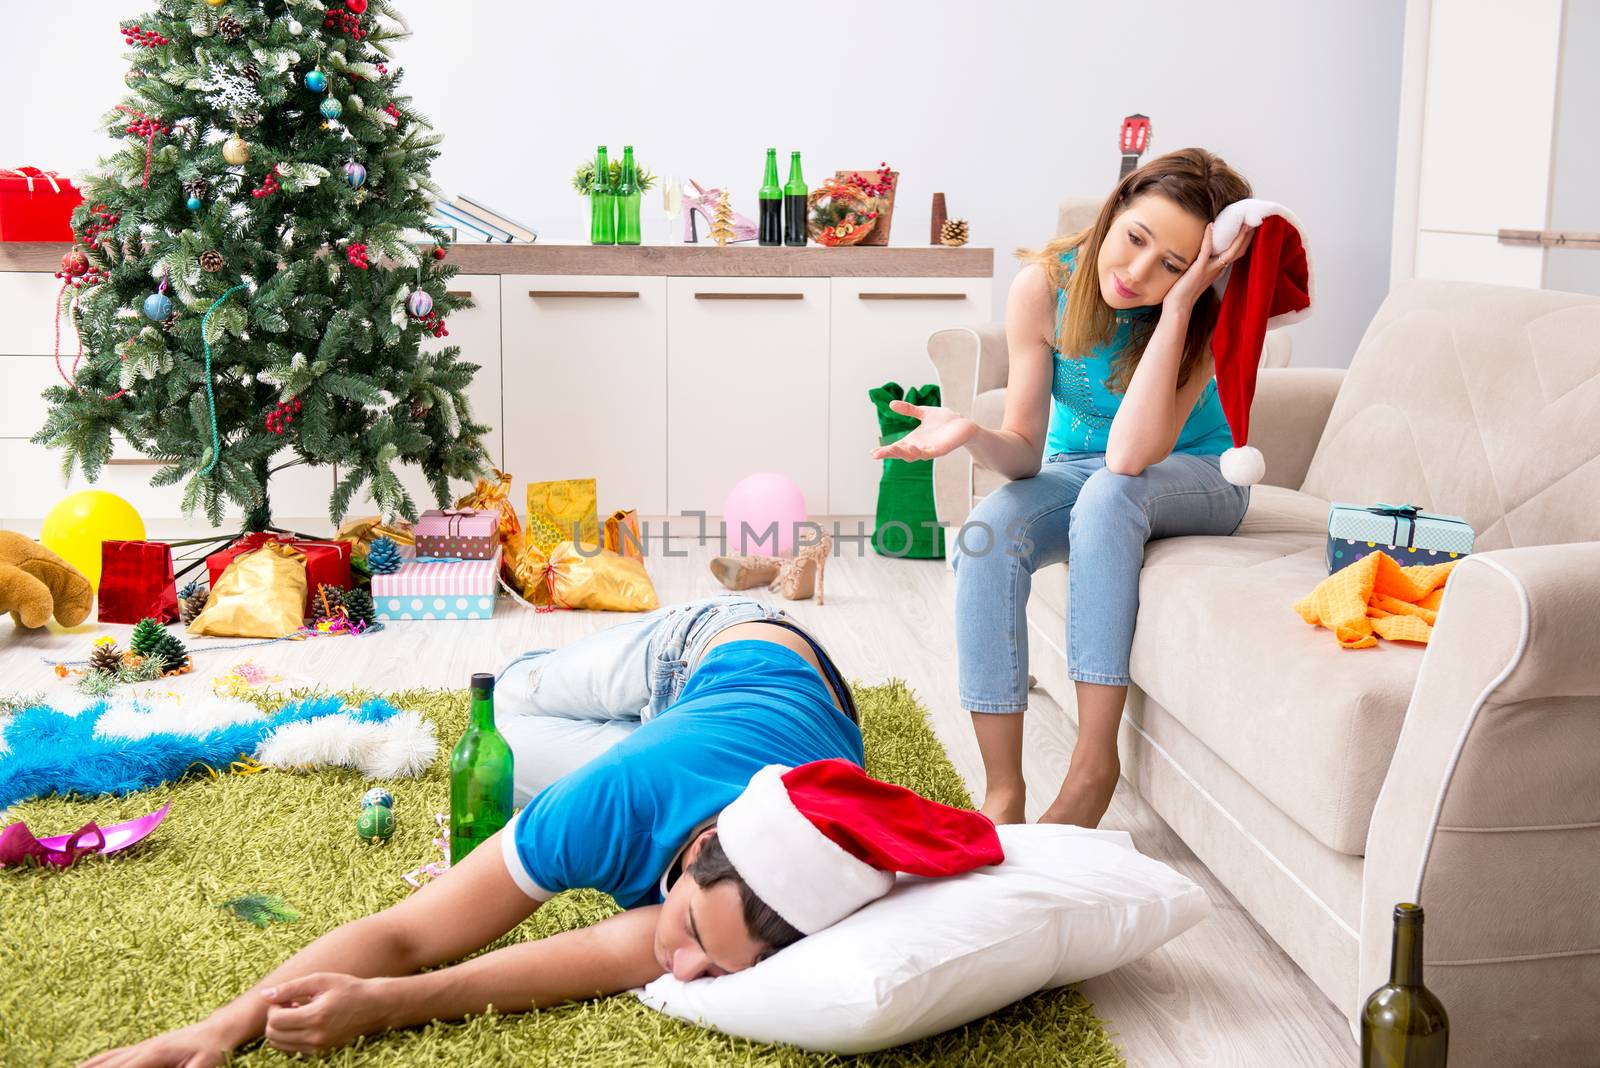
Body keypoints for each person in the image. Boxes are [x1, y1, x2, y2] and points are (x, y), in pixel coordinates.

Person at [83, 595, 1001, 1066]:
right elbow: (410, 934)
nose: (678, 969)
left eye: (714, 970)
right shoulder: (610, 809)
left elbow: (611, 952)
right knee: (508, 715)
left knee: (546, 758)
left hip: (775, 718)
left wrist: (384, 1008)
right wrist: (219, 1026)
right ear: (690, 856)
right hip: (716, 644)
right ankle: (536, 668)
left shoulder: (780, 896)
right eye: (683, 932)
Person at [873, 148, 1259, 829]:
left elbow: (1134, 457)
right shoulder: (1043, 287)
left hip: (1198, 475)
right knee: (990, 533)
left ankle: (1092, 767)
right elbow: (1025, 454)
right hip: (1083, 470)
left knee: (1112, 492)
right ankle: (1003, 792)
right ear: (1114, 212)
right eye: (1136, 238)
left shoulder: (1208, 312)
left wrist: (1179, 312)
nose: (1137, 273)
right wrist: (971, 432)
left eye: (1172, 265)